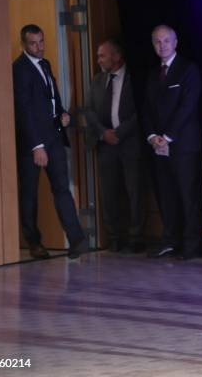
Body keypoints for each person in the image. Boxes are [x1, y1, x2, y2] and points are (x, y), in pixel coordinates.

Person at [12, 24, 86, 260]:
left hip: (54, 138)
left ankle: (76, 239)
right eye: (33, 43)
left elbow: (51, 99)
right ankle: (34, 242)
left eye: (41, 41)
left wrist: (62, 114)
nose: (39, 47)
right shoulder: (19, 69)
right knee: (30, 194)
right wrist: (37, 146)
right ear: (24, 44)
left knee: (62, 189)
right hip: (33, 144)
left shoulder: (45, 64)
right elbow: (23, 110)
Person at [142, 24, 202, 260]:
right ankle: (169, 240)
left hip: (183, 145)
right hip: (158, 146)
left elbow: (187, 107)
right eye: (157, 41)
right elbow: (146, 108)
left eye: (166, 41)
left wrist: (167, 136)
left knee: (187, 195)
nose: (162, 45)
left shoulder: (188, 69)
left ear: (175, 43)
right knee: (166, 194)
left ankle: (191, 243)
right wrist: (152, 137)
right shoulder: (152, 74)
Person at [84, 38, 145, 253]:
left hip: (129, 143)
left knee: (134, 191)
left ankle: (136, 237)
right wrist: (103, 133)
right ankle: (115, 237)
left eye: (102, 55)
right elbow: (89, 110)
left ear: (116, 57)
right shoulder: (98, 80)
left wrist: (120, 133)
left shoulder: (134, 78)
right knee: (108, 193)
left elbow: (142, 110)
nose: (98, 59)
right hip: (105, 144)